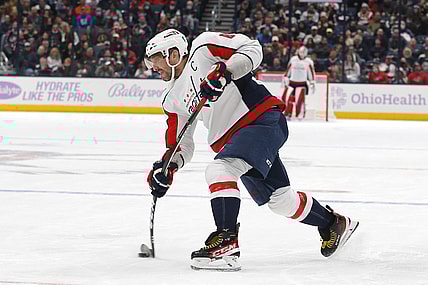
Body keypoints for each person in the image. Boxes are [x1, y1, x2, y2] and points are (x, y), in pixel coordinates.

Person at [144, 29, 359, 271]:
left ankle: (226, 242)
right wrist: (169, 166)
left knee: (220, 169)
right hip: (238, 140)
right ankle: (334, 224)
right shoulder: (171, 98)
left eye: (155, 59)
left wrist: (225, 72)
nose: (152, 67)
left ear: (173, 54)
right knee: (281, 201)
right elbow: (180, 145)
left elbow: (252, 49)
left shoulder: (203, 49)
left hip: (259, 119)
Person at [281, 46, 315, 119]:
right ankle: (288, 113)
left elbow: (311, 73)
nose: (302, 54)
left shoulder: (308, 62)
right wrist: (286, 78)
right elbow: (288, 70)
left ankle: (300, 114)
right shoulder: (293, 60)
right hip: (292, 82)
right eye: (300, 52)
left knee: (300, 100)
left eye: (303, 52)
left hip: (302, 83)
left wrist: (312, 81)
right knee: (289, 98)